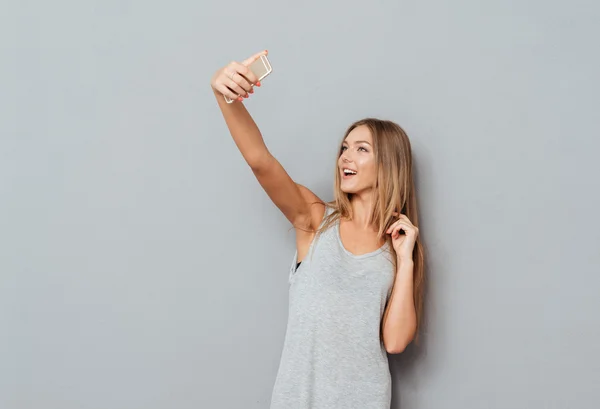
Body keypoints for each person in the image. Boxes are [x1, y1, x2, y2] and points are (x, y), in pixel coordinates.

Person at [210, 50, 425, 409]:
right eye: (344, 148)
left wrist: (406, 260)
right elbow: (261, 162)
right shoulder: (316, 220)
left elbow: (395, 342)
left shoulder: (396, 249)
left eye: (361, 149)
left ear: (389, 163)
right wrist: (225, 96)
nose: (345, 157)